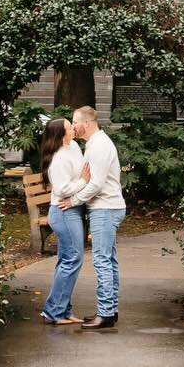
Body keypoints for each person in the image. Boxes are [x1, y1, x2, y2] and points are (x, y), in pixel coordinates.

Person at [59, 104, 124, 329]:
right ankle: (110, 310)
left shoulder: (99, 146)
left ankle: (105, 313)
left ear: (85, 123)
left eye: (75, 122)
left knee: (102, 260)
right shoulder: (95, 144)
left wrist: (74, 201)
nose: (73, 126)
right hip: (106, 207)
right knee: (109, 260)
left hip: (105, 208)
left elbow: (95, 184)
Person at [39, 116, 89, 326]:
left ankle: (62, 309)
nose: (73, 129)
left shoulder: (74, 146)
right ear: (60, 135)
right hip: (63, 212)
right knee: (73, 260)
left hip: (73, 210)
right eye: (69, 128)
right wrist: (83, 182)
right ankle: (54, 312)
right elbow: (61, 190)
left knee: (66, 261)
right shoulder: (58, 158)